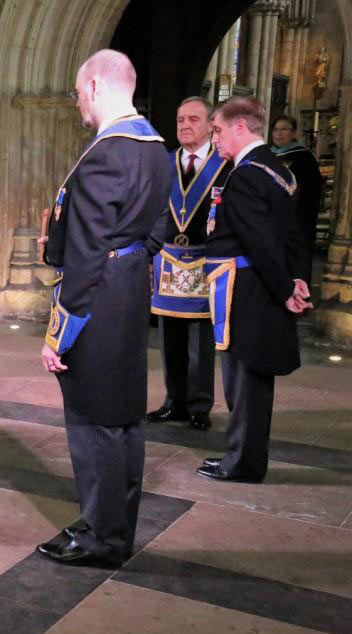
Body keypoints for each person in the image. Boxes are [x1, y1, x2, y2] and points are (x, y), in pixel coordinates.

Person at [36, 50, 171, 568]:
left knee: (93, 418)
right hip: (131, 287)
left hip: (97, 296)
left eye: (76, 93)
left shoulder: (105, 153)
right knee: (122, 417)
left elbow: (87, 252)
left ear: (93, 85)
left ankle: (101, 536)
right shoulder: (156, 147)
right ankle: (114, 524)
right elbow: (160, 227)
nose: (78, 104)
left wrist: (59, 333)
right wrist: (130, 262)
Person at [197, 96, 311, 483]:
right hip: (264, 286)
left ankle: (242, 462)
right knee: (252, 378)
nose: (214, 139)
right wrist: (297, 280)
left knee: (243, 378)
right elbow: (294, 236)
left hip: (246, 289)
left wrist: (283, 288)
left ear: (240, 127)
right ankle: (241, 456)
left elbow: (259, 241)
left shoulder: (246, 174)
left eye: (217, 130)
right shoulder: (277, 169)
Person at [147, 97, 229, 431]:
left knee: (201, 340)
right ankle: (173, 402)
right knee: (170, 338)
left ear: (211, 125)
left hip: (204, 261)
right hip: (167, 260)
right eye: (181, 119)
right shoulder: (164, 163)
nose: (184, 125)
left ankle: (199, 405)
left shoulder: (224, 164)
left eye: (193, 119)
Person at [270, 114, 322, 284]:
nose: (279, 134)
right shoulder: (267, 156)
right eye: (276, 129)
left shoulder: (304, 158)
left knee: (295, 263)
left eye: (284, 129)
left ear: (293, 133)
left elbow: (311, 191)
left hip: (297, 221)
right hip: (269, 219)